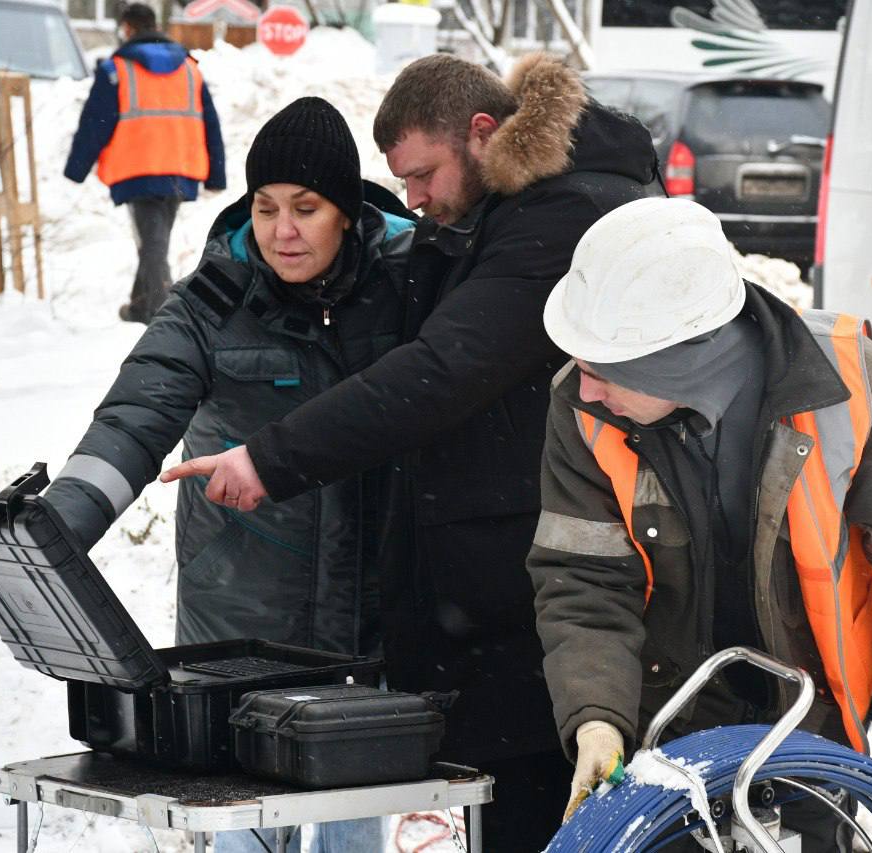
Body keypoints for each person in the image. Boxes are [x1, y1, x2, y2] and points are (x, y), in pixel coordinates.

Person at [161, 53, 661, 850]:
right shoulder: (501, 209)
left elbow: (441, 370)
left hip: (535, 595)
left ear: (484, 132)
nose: (415, 201)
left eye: (423, 175)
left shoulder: (559, 217)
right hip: (500, 603)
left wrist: (268, 460)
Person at [527, 197, 872, 850]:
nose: (583, 385)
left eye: (603, 369)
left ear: (678, 359)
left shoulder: (855, 382)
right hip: (672, 735)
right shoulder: (585, 407)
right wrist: (598, 719)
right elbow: (583, 582)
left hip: (817, 734)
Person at [45, 96, 412, 852]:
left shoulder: (406, 284)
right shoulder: (213, 300)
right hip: (242, 617)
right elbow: (133, 415)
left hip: (372, 614)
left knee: (352, 825)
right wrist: (61, 526)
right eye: (267, 206)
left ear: (344, 211)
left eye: (306, 208)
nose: (282, 230)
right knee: (248, 826)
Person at [63, 2, 225, 323]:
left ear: (127, 29)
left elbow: (96, 121)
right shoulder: (189, 69)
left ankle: (162, 316)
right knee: (156, 238)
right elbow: (211, 122)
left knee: (153, 244)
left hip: (138, 168)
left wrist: (77, 169)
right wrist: (216, 175)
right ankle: (140, 305)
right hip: (180, 167)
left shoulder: (118, 70)